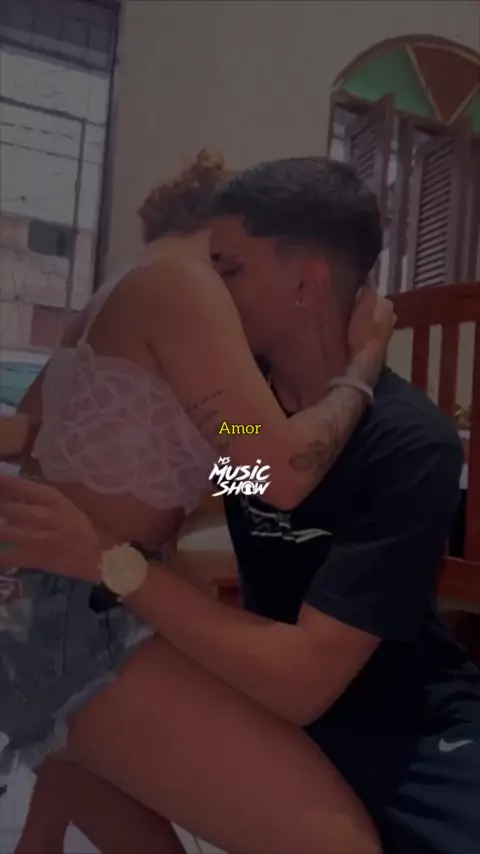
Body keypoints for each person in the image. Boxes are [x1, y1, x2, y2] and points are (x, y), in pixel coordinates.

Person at [0, 153, 395, 854]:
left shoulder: (109, 301)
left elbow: (213, 452)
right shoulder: (182, 287)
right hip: (70, 612)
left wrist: (257, 461)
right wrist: (365, 364)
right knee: (339, 844)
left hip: (31, 609)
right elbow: (278, 472)